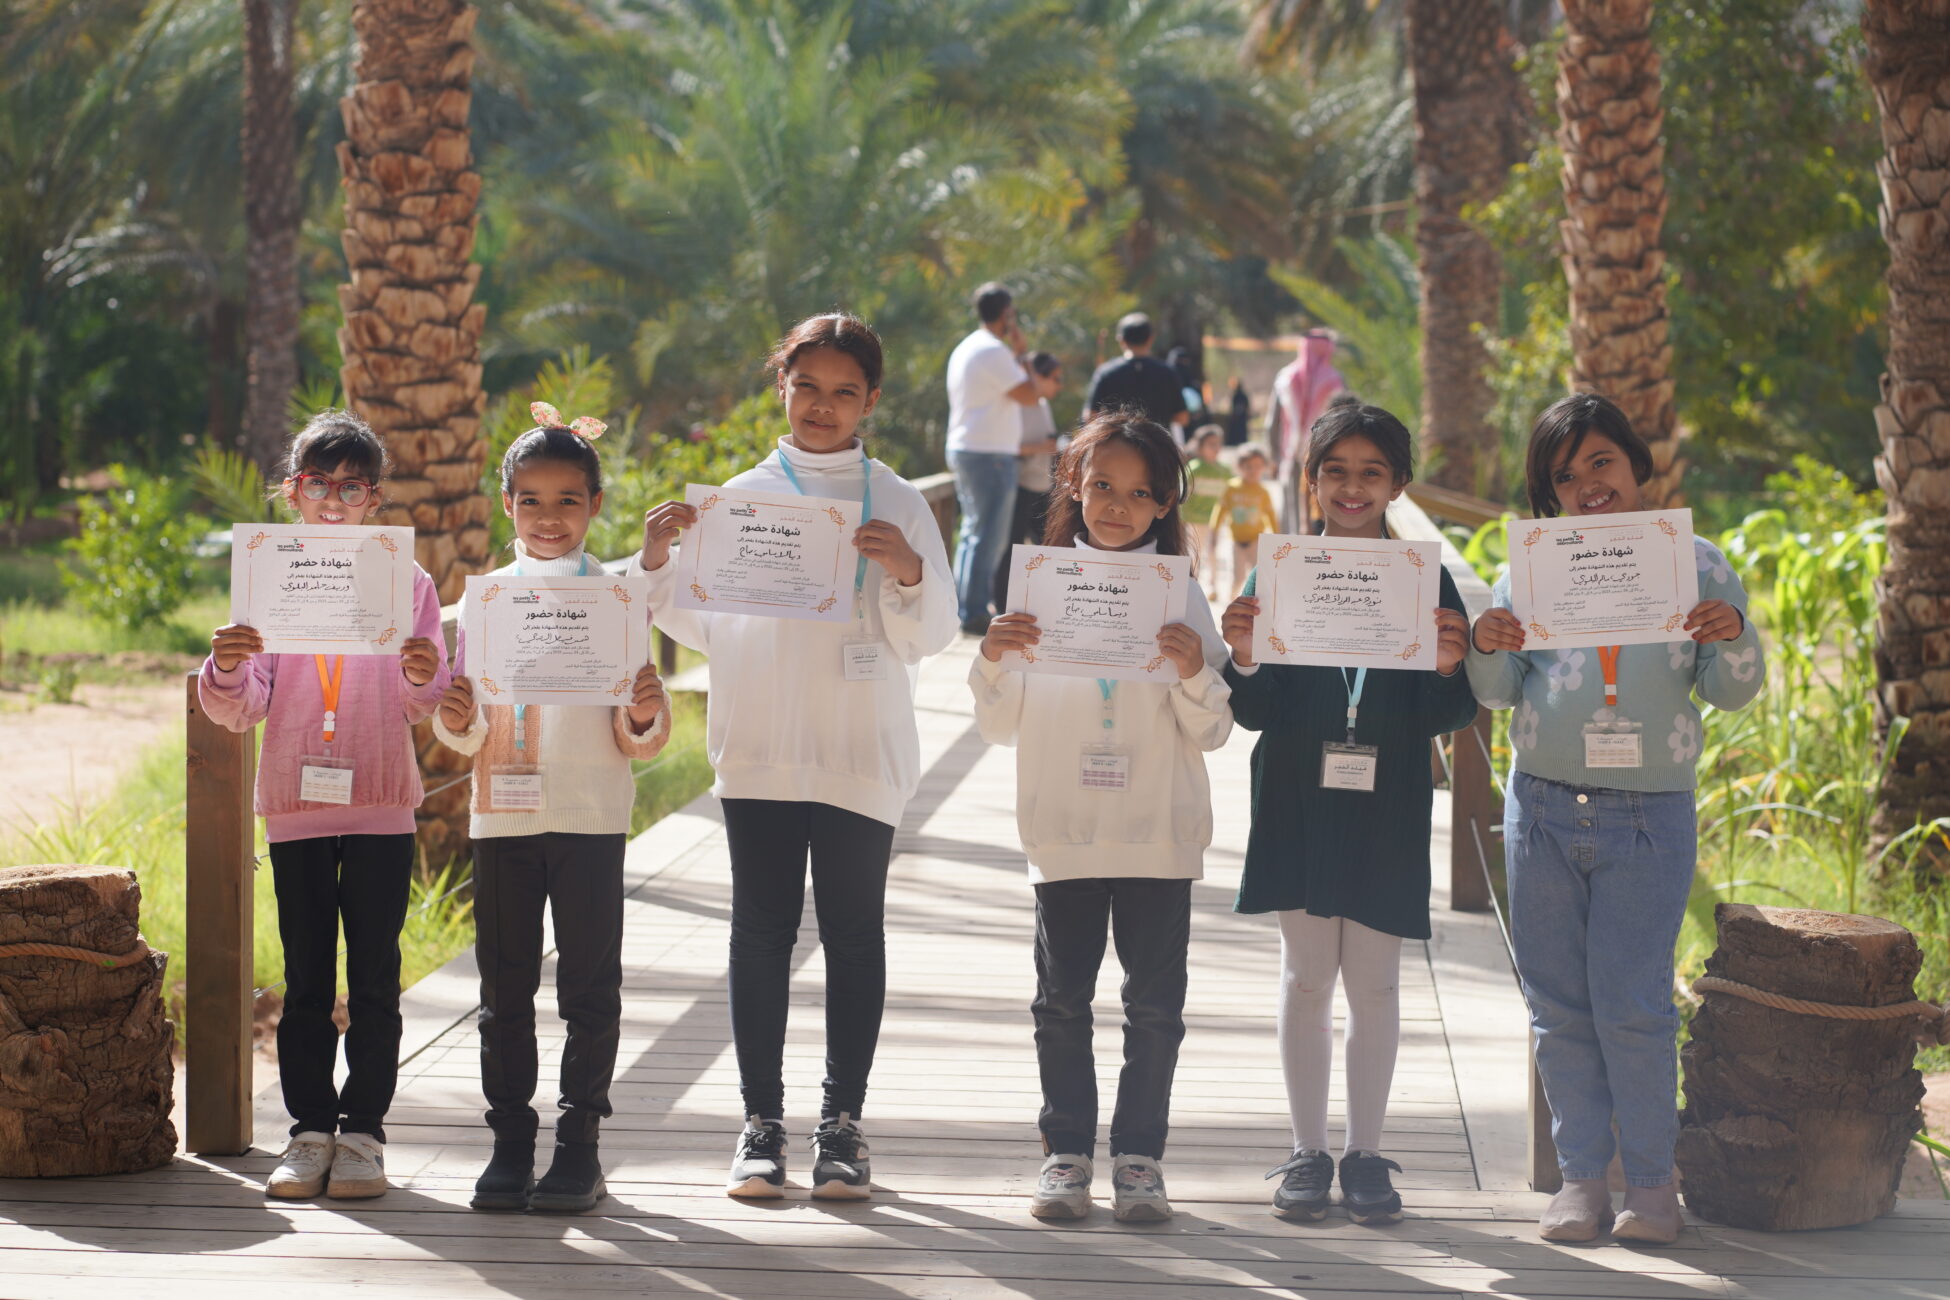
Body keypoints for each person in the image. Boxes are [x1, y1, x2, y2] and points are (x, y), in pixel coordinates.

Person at [635, 314, 958, 1202]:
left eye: (844, 391)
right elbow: (697, 615)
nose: (823, 406)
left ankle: (842, 1127)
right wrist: (658, 559)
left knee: (855, 934)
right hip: (765, 747)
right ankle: (760, 1126)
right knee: (760, 933)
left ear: (872, 401)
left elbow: (934, 634)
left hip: (860, 750)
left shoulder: (897, 501)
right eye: (807, 386)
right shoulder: (737, 497)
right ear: (781, 385)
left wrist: (909, 574)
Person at [1467, 393, 1765, 1245]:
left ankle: (1651, 1185)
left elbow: (1733, 689)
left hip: (1649, 813)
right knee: (1558, 1005)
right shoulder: (1529, 569)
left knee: (1633, 1005)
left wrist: (1732, 631)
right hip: (1544, 807)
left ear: (1636, 466)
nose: (1587, 483)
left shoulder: (1698, 565)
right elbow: (1495, 694)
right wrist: (1490, 643)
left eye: (1602, 461)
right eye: (1565, 474)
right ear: (1548, 492)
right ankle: (1578, 1182)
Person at [1217, 398, 1475, 1225]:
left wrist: (1444, 669)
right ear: (1312, 478)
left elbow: (1452, 715)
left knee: (1376, 982)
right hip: (1295, 795)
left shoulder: (1426, 580)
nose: (1352, 488)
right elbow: (1254, 711)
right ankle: (1307, 1151)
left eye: (1371, 473)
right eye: (1336, 471)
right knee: (1304, 978)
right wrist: (1246, 656)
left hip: (1388, 802)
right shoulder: (1279, 569)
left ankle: (1365, 1154)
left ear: (1398, 483)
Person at [971, 411, 1232, 1224]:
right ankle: (1066, 1154)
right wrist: (993, 657)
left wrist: (1193, 672)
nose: (1117, 506)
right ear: (1074, 488)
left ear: (1164, 506)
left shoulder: (1181, 592)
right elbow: (997, 725)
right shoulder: (1036, 584)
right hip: (1064, 829)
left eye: (1139, 493)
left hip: (1159, 832)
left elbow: (1214, 728)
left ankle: (1140, 1158)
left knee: (1154, 1007)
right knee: (1062, 1002)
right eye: (1102, 486)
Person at [200, 409, 450, 1202]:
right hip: (297, 804)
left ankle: (366, 1135)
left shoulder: (408, 584)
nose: (334, 501)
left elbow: (426, 703)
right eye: (317, 484)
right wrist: (229, 666)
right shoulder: (266, 582)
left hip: (380, 801)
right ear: (291, 491)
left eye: (352, 486)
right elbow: (243, 707)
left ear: (376, 498)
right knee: (306, 976)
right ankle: (309, 1133)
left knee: (375, 976)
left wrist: (419, 672)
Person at [434, 405, 672, 1215]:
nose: (548, 517)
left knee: (589, 987)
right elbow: (460, 733)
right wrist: (460, 714)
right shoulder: (484, 602)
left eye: (567, 500)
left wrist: (643, 707)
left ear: (595, 505)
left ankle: (579, 1146)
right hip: (502, 817)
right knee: (503, 992)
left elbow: (639, 732)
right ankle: (509, 1142)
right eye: (530, 500)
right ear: (506, 505)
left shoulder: (617, 600)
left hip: (590, 815)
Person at [946, 282, 1043, 635]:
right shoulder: (994, 352)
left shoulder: (967, 347)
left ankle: (964, 606)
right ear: (1006, 314)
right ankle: (972, 612)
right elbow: (1031, 395)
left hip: (969, 448)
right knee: (990, 536)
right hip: (989, 455)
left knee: (974, 532)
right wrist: (1022, 353)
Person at [991, 351, 1065, 614]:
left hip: (1043, 486)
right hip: (1019, 485)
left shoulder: (1043, 405)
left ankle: (1051, 606)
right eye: (1056, 378)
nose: (1060, 385)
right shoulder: (1018, 405)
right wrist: (1041, 446)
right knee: (1010, 548)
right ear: (1039, 377)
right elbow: (1006, 446)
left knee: (1052, 547)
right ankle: (1001, 607)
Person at [1083, 313, 1189, 435]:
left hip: (1118, 446)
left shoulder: (1106, 372)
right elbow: (1182, 418)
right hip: (1158, 447)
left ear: (1121, 340)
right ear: (1151, 339)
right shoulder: (1168, 373)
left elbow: (1090, 416)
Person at [1265, 330, 1345, 483]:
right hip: (1324, 455)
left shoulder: (1285, 377)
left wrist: (1274, 456)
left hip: (1289, 452)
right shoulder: (1336, 381)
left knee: (1291, 503)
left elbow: (1272, 422)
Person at [1212, 447, 1279, 599]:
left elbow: (1271, 516)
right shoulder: (1231, 487)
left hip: (1256, 541)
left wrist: (1277, 538)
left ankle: (1255, 605)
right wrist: (1214, 531)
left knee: (1257, 577)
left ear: (1264, 468)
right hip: (1237, 542)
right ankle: (1232, 602)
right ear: (1240, 467)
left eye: (1257, 467)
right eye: (1248, 467)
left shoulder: (1263, 492)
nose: (1253, 471)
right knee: (1238, 577)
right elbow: (1220, 510)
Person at [1182, 425, 1231, 599]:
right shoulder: (1194, 468)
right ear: (1200, 446)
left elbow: (1230, 496)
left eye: (1218, 444)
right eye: (1211, 444)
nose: (1216, 448)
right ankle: (1192, 585)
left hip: (1215, 522)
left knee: (1213, 553)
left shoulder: (1225, 471)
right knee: (1195, 554)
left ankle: (1213, 586)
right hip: (1194, 521)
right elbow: (1183, 496)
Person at [1225, 377, 1251, 447]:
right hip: (1239, 416)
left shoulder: (1240, 395)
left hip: (1241, 416)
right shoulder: (1236, 395)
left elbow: (1246, 406)